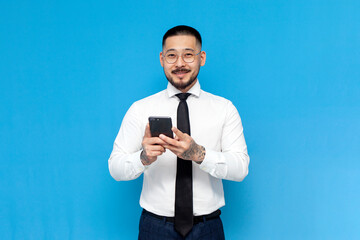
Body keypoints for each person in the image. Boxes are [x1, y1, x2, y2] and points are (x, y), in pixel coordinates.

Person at [108, 25, 250, 240]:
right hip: (155, 228)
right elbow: (115, 169)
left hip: (208, 228)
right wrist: (143, 157)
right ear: (161, 59)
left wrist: (198, 154)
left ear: (201, 57)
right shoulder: (140, 109)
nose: (180, 63)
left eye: (188, 55)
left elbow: (240, 169)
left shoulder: (224, 109)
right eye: (172, 55)